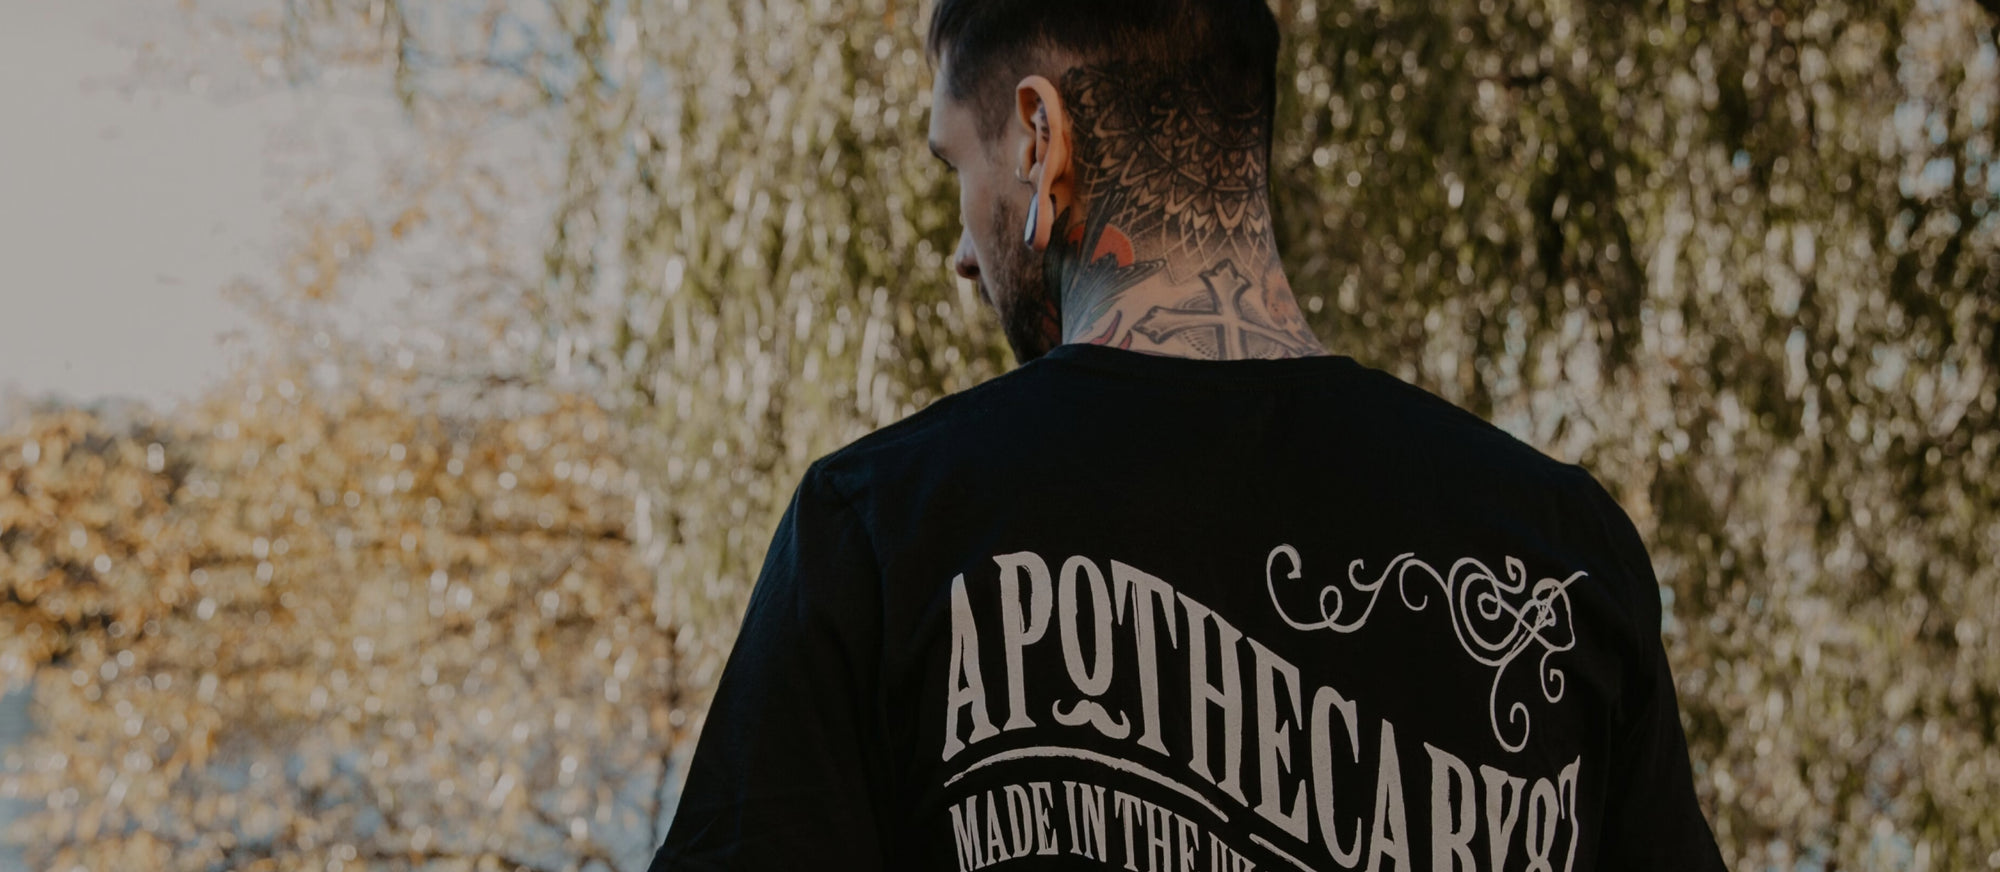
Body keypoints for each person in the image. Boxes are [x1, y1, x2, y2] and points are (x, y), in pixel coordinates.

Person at [648, 0, 1728, 868]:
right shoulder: (1561, 553)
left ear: (1039, 135)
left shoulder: (879, 527)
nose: (961, 254)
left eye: (957, 168)